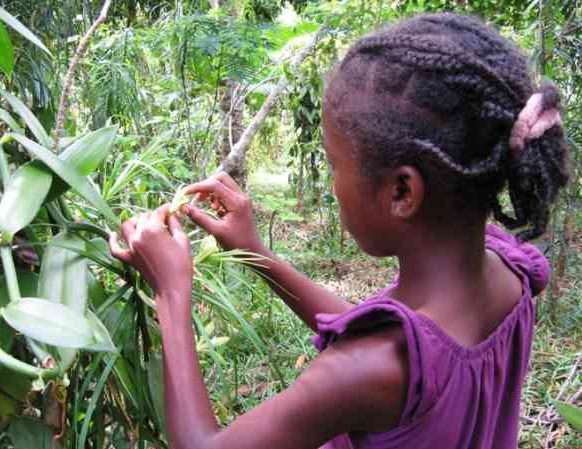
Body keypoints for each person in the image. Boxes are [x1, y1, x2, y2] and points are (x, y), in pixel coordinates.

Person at [109, 12, 569, 449]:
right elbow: (392, 339)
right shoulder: (511, 271)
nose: (331, 184)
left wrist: (171, 292)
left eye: (334, 164)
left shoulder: (362, 372)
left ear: (402, 191)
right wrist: (257, 255)